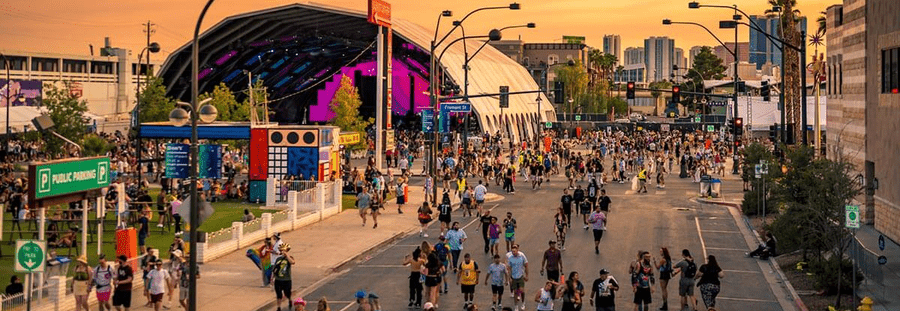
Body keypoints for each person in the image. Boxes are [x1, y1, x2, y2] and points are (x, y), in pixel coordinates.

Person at [273, 243, 296, 311]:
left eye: (284, 251)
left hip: (286, 280)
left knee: (287, 293)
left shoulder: (289, 258)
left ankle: (289, 299)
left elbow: (292, 262)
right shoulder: (278, 259)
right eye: (281, 251)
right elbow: (275, 269)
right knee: (279, 294)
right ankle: (279, 307)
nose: (282, 252)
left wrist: (287, 256)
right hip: (278, 280)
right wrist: (272, 278)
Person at [506, 244, 529, 310]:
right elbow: (509, 268)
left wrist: (527, 275)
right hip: (514, 276)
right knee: (515, 292)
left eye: (515, 251)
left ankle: (523, 303)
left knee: (521, 290)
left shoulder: (522, 256)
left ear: (517, 250)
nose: (514, 253)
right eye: (512, 252)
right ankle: (516, 306)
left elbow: (526, 265)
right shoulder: (510, 258)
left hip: (520, 276)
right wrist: (509, 278)